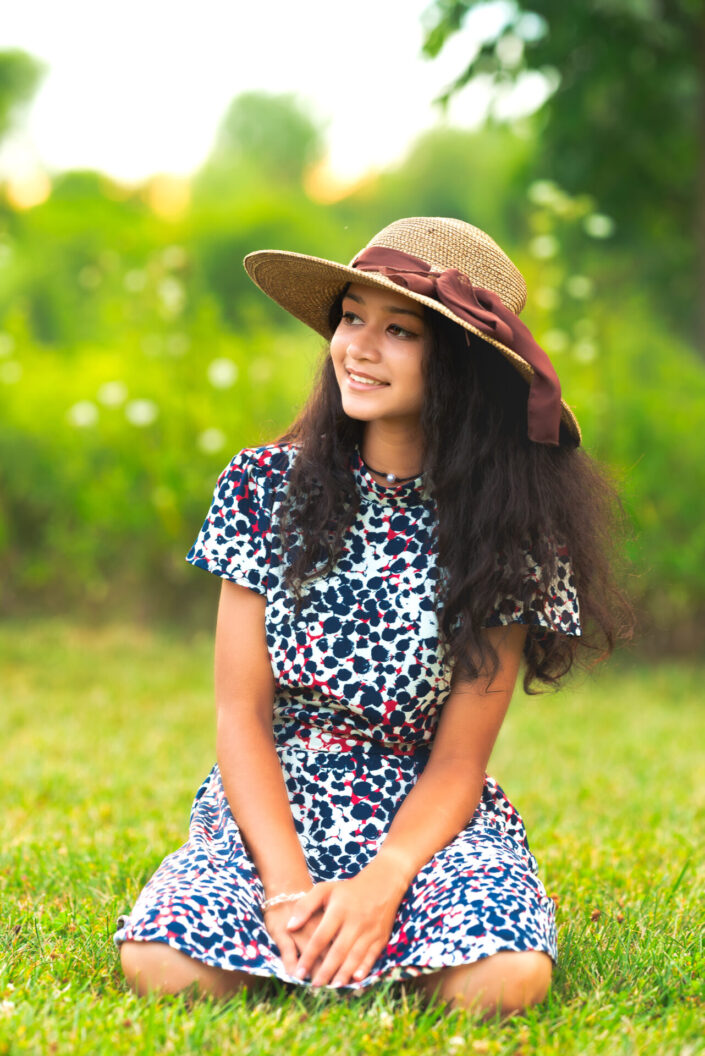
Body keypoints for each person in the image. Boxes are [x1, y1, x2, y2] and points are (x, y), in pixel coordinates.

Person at [115, 216, 631, 1017]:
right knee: (163, 964)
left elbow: (459, 763)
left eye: (399, 330)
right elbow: (240, 715)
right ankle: (325, 944)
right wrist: (286, 890)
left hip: (422, 819)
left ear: (459, 363)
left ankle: (360, 941)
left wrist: (383, 882)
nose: (357, 346)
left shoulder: (510, 535)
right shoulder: (262, 487)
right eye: (350, 317)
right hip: (271, 802)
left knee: (504, 982)